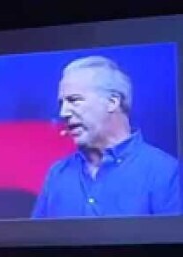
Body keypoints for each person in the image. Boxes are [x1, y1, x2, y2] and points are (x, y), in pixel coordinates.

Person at [33, 55, 180, 218]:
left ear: (112, 102)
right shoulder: (57, 175)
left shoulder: (165, 173)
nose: (63, 113)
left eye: (74, 100)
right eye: (61, 103)